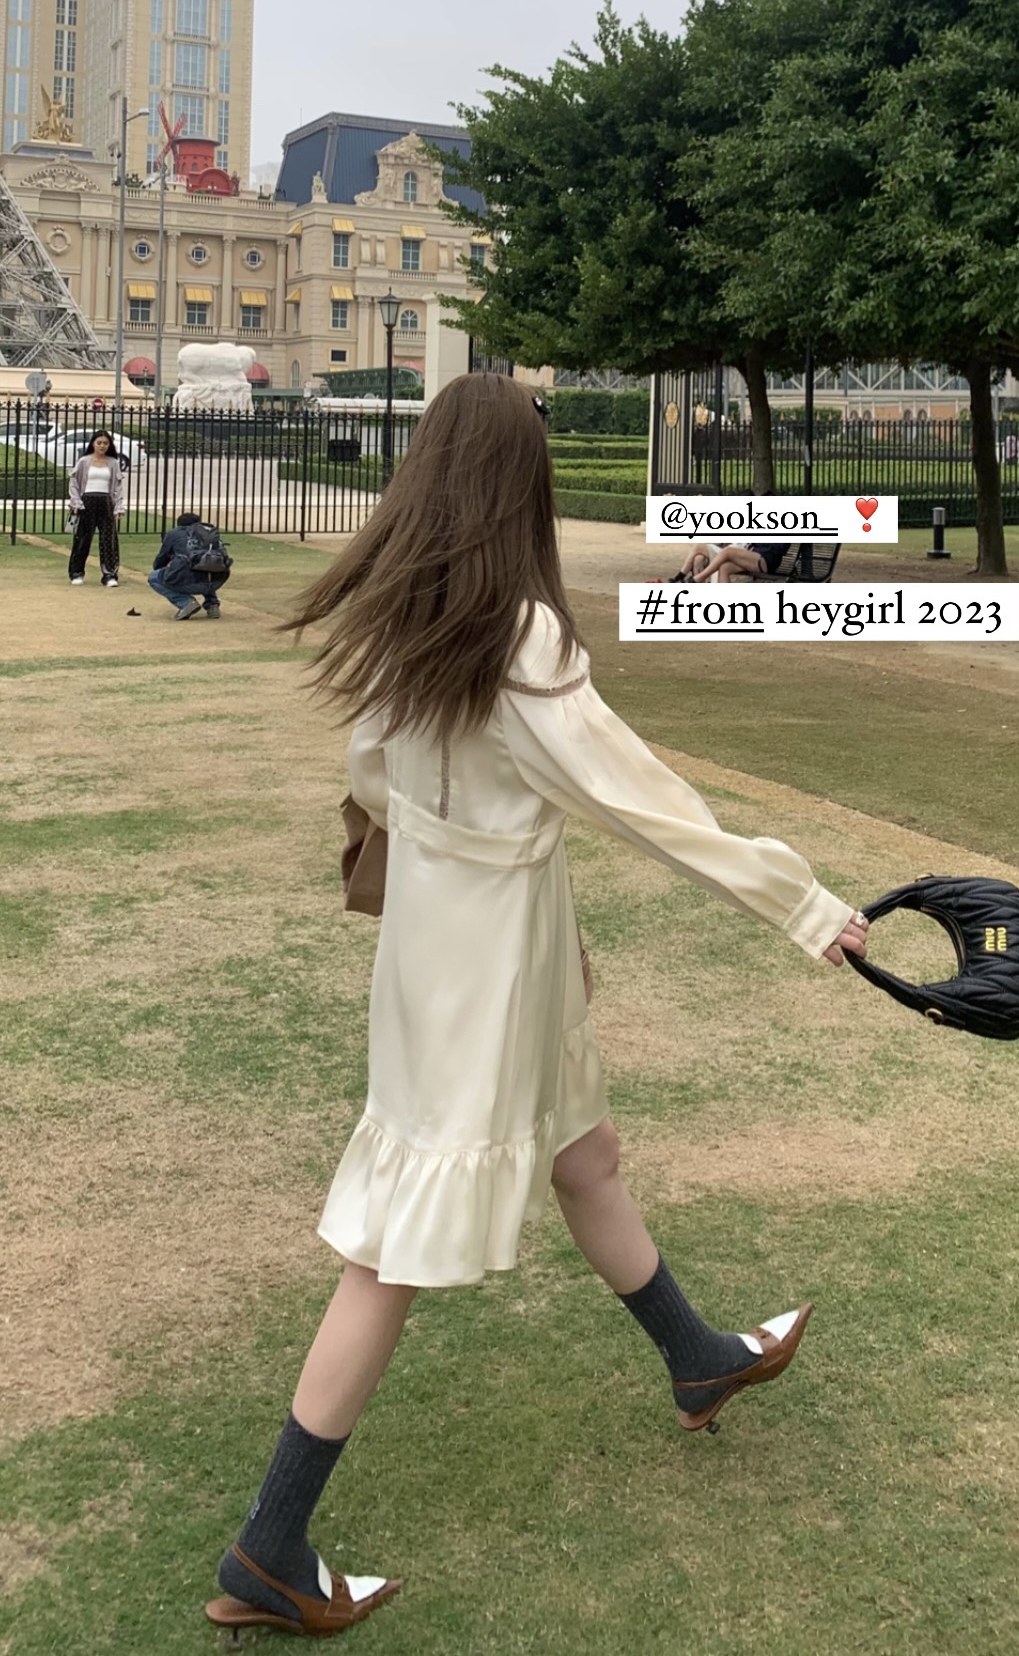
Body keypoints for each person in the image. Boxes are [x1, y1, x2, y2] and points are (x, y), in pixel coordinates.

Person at [204, 374, 869, 1641]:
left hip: (447, 946)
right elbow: (643, 799)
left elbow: (375, 782)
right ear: (524, 488)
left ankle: (696, 1355)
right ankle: (270, 1543)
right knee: (393, 1246)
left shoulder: (410, 616)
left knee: (584, 1151)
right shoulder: (518, 637)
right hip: (486, 960)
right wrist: (803, 905)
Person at [67, 430, 126, 587]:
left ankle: (109, 574)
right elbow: (74, 483)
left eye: (105, 443)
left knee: (108, 539)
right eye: (99, 443)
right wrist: (76, 502)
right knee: (82, 538)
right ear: (93, 444)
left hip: (105, 501)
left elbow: (117, 488)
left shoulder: (113, 463)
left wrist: (118, 507)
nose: (102, 446)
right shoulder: (84, 461)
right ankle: (76, 573)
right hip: (87, 501)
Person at [148, 512, 231, 620]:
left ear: (179, 524)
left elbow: (162, 559)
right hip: (217, 581)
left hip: (187, 581)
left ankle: (186, 603)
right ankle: (212, 605)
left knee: (154, 577)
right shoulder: (209, 534)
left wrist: (161, 568)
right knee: (207, 566)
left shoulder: (174, 533)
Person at [674, 537, 792, 583]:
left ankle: (699, 578)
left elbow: (780, 549)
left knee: (728, 552)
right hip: (753, 556)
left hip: (766, 560)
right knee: (724, 567)